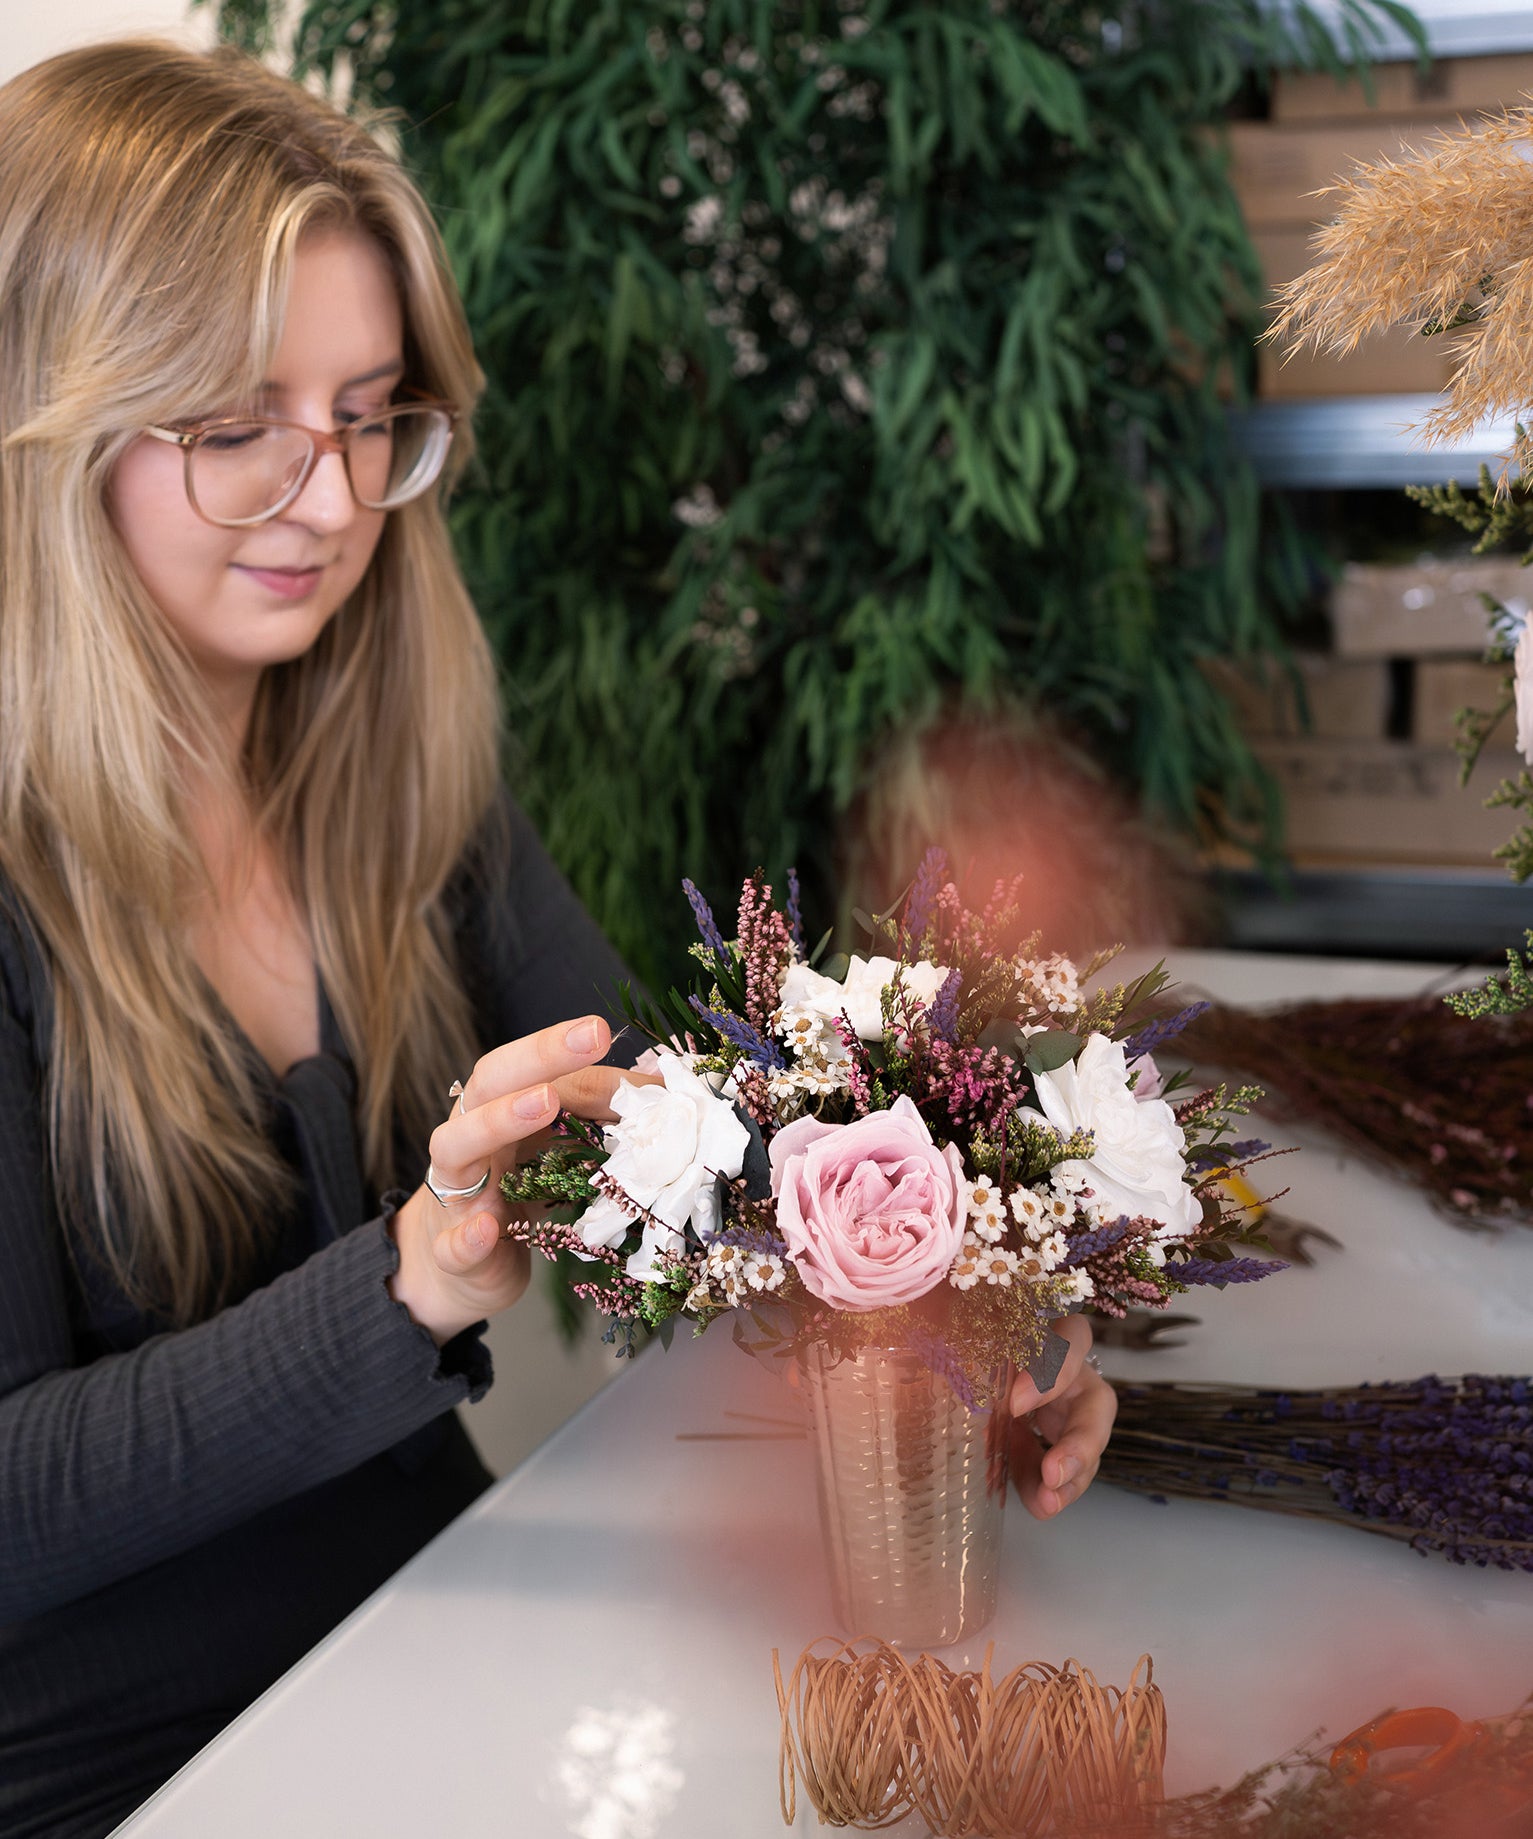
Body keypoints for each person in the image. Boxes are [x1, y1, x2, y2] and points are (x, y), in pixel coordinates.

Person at [0, 40, 1113, 1839]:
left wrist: (981, 1303)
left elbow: (697, 1131)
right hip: (120, 1780)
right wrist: (415, 1278)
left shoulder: (391, 774)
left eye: (369, 415)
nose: (333, 496)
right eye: (235, 429)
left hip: (437, 1643)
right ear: (40, 429)